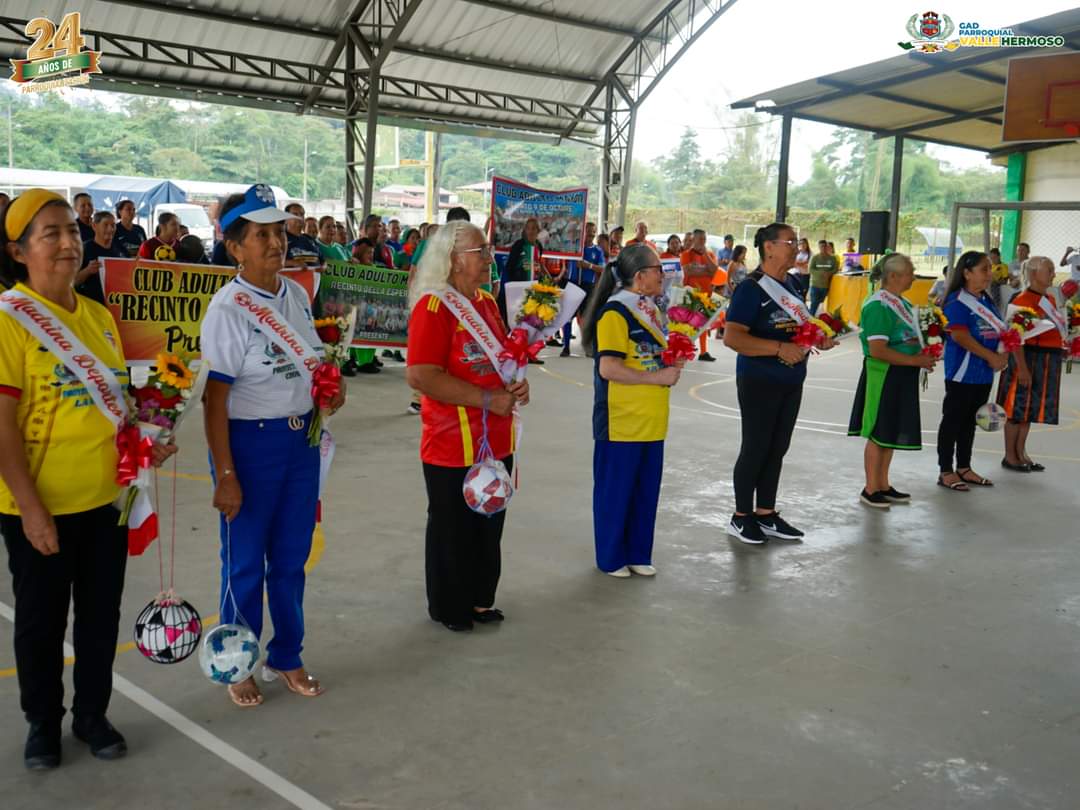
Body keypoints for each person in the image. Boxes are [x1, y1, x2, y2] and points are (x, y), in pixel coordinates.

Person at [0, 189, 176, 769]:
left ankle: (92, 714)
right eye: (49, 233)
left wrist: (148, 440)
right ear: (18, 251)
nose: (67, 243)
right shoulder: (8, 320)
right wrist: (31, 509)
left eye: (71, 231)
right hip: (39, 505)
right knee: (41, 623)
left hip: (106, 501)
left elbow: (119, 407)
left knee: (100, 617)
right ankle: (42, 722)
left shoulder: (99, 317)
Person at [200, 184, 344, 707]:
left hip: (300, 441)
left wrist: (332, 389)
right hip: (249, 446)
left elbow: (316, 362)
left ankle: (287, 654)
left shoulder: (297, 296)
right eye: (261, 235)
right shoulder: (228, 310)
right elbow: (214, 401)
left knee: (289, 558)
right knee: (243, 562)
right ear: (234, 247)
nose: (276, 243)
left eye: (279, 232)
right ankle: (237, 662)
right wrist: (226, 474)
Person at [405, 221, 530, 631]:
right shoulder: (434, 307)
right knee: (452, 526)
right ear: (455, 259)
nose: (490, 259)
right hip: (452, 441)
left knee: (489, 522)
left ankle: (479, 598)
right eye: (481, 251)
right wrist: (486, 399)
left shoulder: (488, 303)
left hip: (496, 437)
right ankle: (449, 605)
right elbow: (421, 375)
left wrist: (516, 384)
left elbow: (502, 361)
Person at [723, 223, 836, 545]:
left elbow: (799, 330)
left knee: (777, 447)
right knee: (756, 446)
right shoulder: (751, 288)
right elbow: (733, 337)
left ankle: (766, 512)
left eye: (796, 242)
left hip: (791, 379)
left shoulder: (794, 283)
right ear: (769, 247)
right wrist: (777, 348)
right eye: (789, 242)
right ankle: (741, 516)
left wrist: (818, 339)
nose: (795, 247)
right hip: (759, 380)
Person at [581, 244, 683, 577]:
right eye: (657, 269)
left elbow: (649, 355)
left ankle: (638, 552)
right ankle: (611, 557)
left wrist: (672, 361)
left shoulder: (650, 309)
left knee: (644, 491)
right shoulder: (615, 312)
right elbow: (608, 368)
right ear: (640, 276)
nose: (662, 275)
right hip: (621, 419)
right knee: (616, 492)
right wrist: (656, 377)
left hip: (652, 417)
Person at [848, 254, 937, 508]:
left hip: (901, 373)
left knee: (890, 431)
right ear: (894, 276)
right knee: (879, 431)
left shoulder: (902, 302)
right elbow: (878, 349)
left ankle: (883, 485)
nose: (913, 277)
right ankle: (870, 488)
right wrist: (914, 360)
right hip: (883, 374)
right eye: (910, 273)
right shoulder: (878, 305)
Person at [936, 250, 1008, 492]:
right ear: (967, 273)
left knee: (970, 422)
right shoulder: (957, 301)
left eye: (990, 269)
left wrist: (1003, 355)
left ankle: (964, 467)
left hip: (983, 374)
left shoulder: (986, 300)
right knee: (953, 421)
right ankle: (946, 470)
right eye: (984, 269)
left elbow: (1000, 331)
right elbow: (959, 335)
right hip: (962, 373)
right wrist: (991, 356)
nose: (989, 274)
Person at [997, 256, 1065, 473]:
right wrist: (1022, 368)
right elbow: (1014, 337)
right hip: (1027, 359)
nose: (1053, 274)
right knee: (1016, 409)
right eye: (1049, 270)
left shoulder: (1049, 299)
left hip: (1045, 360)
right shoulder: (1022, 300)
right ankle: (1010, 456)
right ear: (1035, 274)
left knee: (1029, 410)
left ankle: (1021, 453)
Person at [560, 221, 602, 357]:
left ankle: (588, 347)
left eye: (593, 231)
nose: (590, 234)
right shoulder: (574, 247)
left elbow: (602, 268)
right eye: (588, 231)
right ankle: (566, 346)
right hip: (572, 284)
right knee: (568, 315)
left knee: (587, 318)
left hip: (588, 286)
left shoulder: (597, 250)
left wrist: (588, 265)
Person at [679, 229, 719, 361]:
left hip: (706, 294)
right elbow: (688, 271)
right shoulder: (686, 254)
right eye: (700, 238)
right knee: (687, 324)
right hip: (690, 294)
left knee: (703, 323)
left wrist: (705, 256)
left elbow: (714, 271)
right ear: (694, 239)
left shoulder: (710, 254)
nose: (703, 241)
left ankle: (703, 352)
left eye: (704, 239)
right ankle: (684, 350)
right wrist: (706, 270)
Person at [497, 217, 543, 327]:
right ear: (525, 230)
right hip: (517, 288)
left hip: (532, 288)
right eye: (528, 228)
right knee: (512, 319)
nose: (530, 231)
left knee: (528, 319)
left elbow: (538, 263)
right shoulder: (519, 245)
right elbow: (509, 267)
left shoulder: (539, 246)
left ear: (538, 231)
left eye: (533, 228)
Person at [76, 210, 125, 305]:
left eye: (113, 225)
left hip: (115, 306)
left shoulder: (120, 248)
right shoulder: (84, 249)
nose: (110, 229)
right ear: (94, 226)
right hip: (92, 306)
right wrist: (87, 271)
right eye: (105, 225)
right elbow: (72, 282)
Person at [807, 239, 838, 315]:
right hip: (815, 285)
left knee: (821, 303)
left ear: (827, 247)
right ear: (819, 247)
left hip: (825, 286)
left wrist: (829, 273)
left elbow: (835, 269)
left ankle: (815, 317)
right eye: (821, 246)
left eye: (824, 246)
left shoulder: (832, 258)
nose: (823, 248)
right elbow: (810, 269)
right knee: (814, 303)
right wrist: (821, 273)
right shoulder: (815, 257)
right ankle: (810, 318)